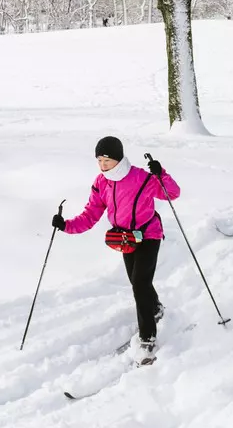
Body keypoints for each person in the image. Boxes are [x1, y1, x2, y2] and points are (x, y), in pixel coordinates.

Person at [52, 137, 180, 363]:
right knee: (137, 281)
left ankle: (148, 339)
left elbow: (171, 193)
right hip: (125, 239)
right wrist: (67, 226)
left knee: (140, 282)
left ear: (118, 158)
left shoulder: (140, 177)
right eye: (99, 160)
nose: (102, 164)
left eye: (107, 159)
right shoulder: (101, 183)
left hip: (148, 234)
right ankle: (156, 308)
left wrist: (161, 174)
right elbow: (91, 214)